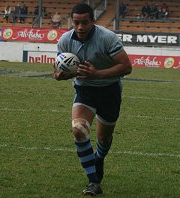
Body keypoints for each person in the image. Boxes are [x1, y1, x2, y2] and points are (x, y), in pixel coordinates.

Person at [53, 3, 132, 196]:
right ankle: (94, 182)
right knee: (79, 130)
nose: (80, 27)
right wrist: (61, 75)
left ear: (93, 21)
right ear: (72, 21)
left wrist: (97, 74)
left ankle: (99, 158)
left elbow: (126, 67)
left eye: (85, 22)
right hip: (84, 91)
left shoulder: (107, 38)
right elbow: (57, 71)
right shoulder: (65, 40)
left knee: (104, 138)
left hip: (109, 92)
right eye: (76, 22)